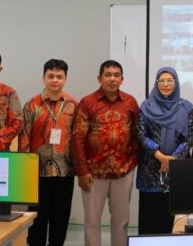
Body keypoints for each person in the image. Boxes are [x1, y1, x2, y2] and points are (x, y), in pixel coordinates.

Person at [71, 60, 139, 246]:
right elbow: (78, 139)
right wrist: (82, 170)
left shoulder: (130, 102)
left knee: (121, 222)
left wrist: (132, 162)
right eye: (108, 75)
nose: (112, 79)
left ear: (122, 79)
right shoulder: (87, 102)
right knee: (92, 222)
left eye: (116, 75)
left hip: (123, 171)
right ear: (99, 78)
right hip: (93, 173)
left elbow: (137, 134)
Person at [19, 59, 77, 246]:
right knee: (37, 218)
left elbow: (77, 137)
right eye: (51, 76)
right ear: (43, 78)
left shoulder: (73, 104)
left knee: (61, 218)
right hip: (37, 171)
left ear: (65, 79)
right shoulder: (31, 105)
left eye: (59, 77)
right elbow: (24, 138)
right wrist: (25, 170)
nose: (55, 80)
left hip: (65, 170)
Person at [137, 67, 193, 234]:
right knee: (151, 219)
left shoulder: (186, 107)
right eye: (161, 80)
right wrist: (160, 156)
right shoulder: (146, 106)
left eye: (170, 80)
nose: (166, 84)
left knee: (176, 221)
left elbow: (190, 137)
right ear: (156, 83)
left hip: (178, 170)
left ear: (176, 83)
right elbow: (141, 135)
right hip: (151, 170)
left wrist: (172, 159)